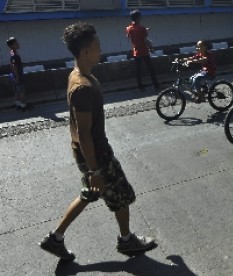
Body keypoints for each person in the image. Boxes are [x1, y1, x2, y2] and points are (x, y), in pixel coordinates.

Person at [39, 22, 157, 261]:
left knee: (90, 193)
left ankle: (56, 238)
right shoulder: (82, 86)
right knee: (120, 194)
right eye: (97, 47)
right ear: (85, 51)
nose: (100, 51)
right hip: (96, 154)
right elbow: (84, 133)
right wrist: (94, 169)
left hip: (88, 153)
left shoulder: (77, 74)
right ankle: (127, 241)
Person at [126, 9, 159, 91]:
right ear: (137, 18)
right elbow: (146, 40)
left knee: (138, 71)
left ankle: (140, 87)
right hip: (144, 51)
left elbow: (131, 35)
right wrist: (151, 49)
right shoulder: (142, 28)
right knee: (151, 69)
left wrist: (144, 31)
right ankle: (156, 85)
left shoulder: (129, 28)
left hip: (136, 52)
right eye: (140, 17)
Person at [6, 37, 32, 111]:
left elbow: (11, 65)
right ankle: (23, 106)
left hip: (14, 76)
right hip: (18, 76)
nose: (18, 44)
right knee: (22, 91)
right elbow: (14, 66)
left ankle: (18, 104)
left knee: (17, 91)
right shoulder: (15, 55)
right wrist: (17, 77)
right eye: (16, 43)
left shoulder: (11, 53)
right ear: (12, 46)